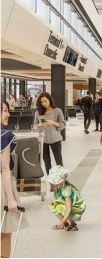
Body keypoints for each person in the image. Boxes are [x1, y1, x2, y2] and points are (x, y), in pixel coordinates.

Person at [1, 99, 28, 257]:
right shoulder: (4, 136)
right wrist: (11, 199)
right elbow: (5, 168)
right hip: (2, 186)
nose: (8, 114)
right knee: (5, 229)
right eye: (5, 110)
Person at [34, 92, 66, 175]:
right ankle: (50, 179)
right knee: (47, 162)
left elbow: (63, 124)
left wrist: (52, 122)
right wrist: (39, 125)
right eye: (42, 102)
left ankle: (61, 179)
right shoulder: (37, 113)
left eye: (45, 101)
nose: (44, 103)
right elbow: (35, 126)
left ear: (50, 100)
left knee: (59, 162)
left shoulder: (57, 111)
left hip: (55, 139)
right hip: (43, 140)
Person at [47, 165, 86, 231]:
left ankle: (72, 223)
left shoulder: (66, 190)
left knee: (63, 208)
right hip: (67, 205)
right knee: (53, 206)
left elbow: (69, 208)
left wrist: (62, 221)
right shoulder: (58, 187)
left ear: (60, 182)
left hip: (76, 206)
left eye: (53, 183)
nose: (52, 185)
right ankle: (64, 223)